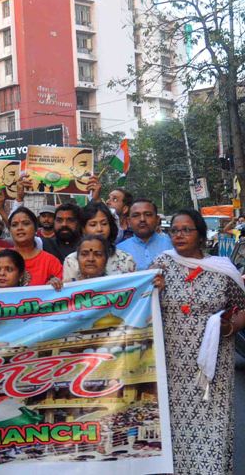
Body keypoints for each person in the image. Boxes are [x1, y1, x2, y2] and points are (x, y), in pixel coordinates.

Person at [151, 209, 245, 475]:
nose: (179, 235)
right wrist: (151, 288)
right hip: (171, 365)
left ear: (201, 236)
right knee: (174, 431)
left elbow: (242, 310)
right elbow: (140, 300)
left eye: (186, 230)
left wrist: (229, 328)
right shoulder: (162, 264)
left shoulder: (223, 269)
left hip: (212, 368)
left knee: (212, 429)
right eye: (175, 230)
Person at [62, 202, 136, 282]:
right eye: (93, 225)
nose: (99, 229)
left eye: (104, 224)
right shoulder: (72, 261)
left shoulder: (125, 259)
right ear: (83, 229)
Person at [117, 199, 173, 270]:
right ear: (129, 221)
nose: (142, 219)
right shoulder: (119, 251)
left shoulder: (172, 245)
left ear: (157, 219)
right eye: (136, 215)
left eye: (148, 215)